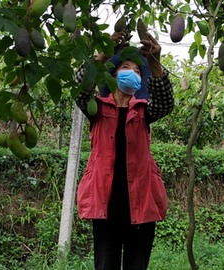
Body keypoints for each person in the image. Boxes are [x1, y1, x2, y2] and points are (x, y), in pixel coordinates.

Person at [73, 29, 174, 270]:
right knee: (105, 265)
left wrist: (154, 63)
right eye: (126, 69)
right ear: (114, 75)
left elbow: (166, 103)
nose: (133, 74)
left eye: (138, 71)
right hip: (105, 205)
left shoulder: (144, 111)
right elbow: (80, 88)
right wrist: (103, 54)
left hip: (140, 204)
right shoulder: (96, 108)